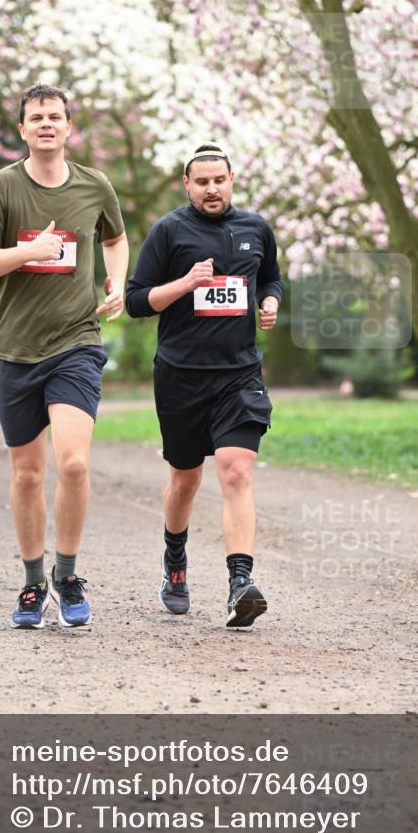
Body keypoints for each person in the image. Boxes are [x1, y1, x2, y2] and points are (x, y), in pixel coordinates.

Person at [0, 83, 128, 630]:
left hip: (76, 342)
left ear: (69, 126)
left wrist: (118, 281)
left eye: (55, 116)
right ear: (23, 130)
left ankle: (69, 573)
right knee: (29, 475)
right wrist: (27, 252)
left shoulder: (94, 185)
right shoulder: (2, 188)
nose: (47, 125)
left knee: (74, 462)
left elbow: (116, 238)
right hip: (12, 349)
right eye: (37, 118)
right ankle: (34, 582)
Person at [125, 143, 282, 629]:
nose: (212, 189)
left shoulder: (256, 228)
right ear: (187, 185)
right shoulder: (170, 231)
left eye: (220, 180)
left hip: (238, 374)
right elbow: (136, 302)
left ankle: (241, 582)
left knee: (236, 471)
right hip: (180, 376)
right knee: (185, 479)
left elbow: (271, 277)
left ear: (231, 179)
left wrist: (271, 301)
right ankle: (175, 562)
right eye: (202, 182)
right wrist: (185, 284)